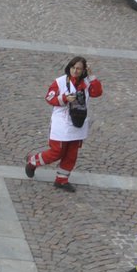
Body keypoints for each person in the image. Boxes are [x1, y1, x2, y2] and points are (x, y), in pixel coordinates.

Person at [23, 55, 103, 191]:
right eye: (73, 68)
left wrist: (92, 76)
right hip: (61, 122)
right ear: (69, 67)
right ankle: (33, 161)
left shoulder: (88, 83)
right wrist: (64, 98)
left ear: (84, 70)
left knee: (71, 154)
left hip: (78, 122)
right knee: (56, 152)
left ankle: (62, 180)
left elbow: (97, 92)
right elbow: (49, 98)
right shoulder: (60, 82)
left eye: (79, 69)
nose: (75, 71)